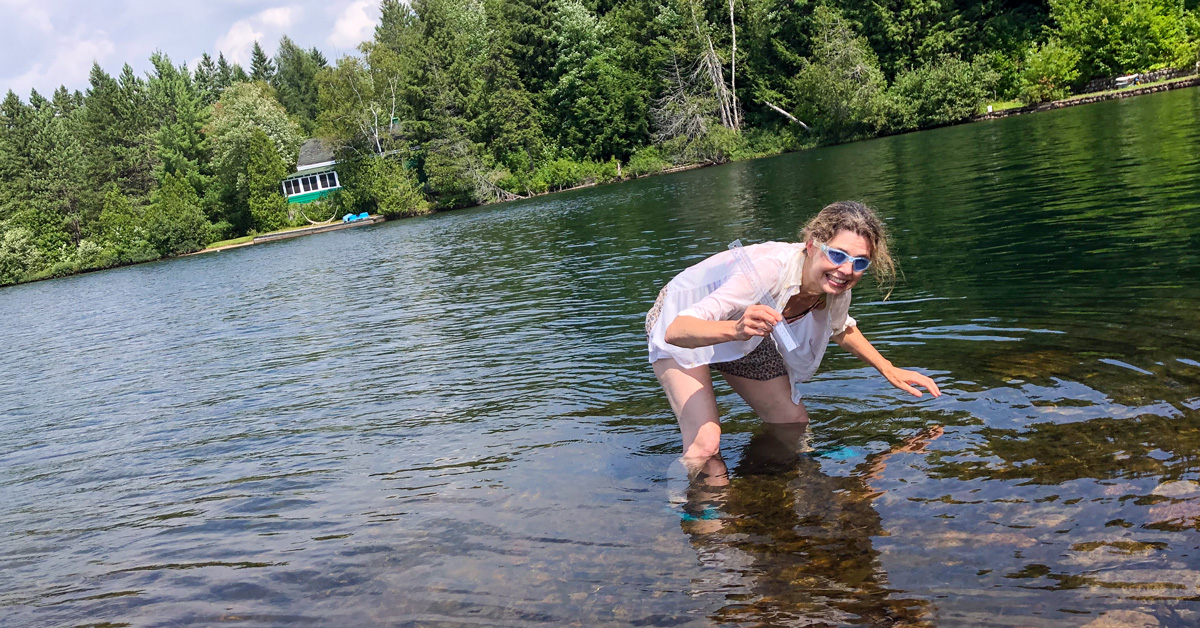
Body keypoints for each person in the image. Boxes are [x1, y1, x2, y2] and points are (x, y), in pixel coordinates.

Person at [645, 201, 941, 461]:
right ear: (812, 245)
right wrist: (735, 328)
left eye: (859, 262)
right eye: (837, 255)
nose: (847, 270)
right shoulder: (766, 270)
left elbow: (840, 329)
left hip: (746, 330)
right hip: (685, 322)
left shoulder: (836, 288)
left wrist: (888, 368)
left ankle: (793, 475)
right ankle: (692, 514)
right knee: (705, 445)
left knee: (792, 423)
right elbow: (676, 330)